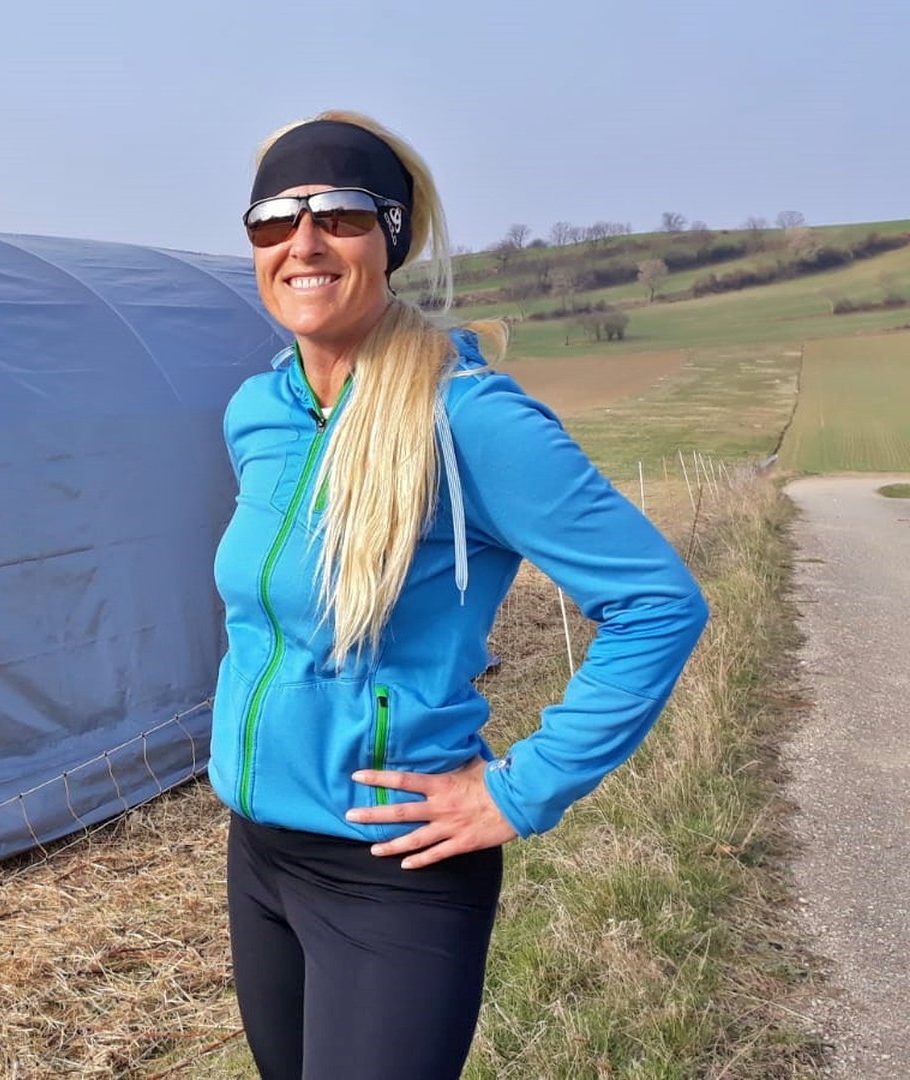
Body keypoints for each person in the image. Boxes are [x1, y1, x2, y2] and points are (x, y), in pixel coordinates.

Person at [211, 111, 709, 1079]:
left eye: (339, 214)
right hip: (260, 857)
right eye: (273, 220)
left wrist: (518, 793)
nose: (302, 242)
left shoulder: (467, 421)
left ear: (389, 238)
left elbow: (658, 603)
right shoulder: (256, 415)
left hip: (394, 874)